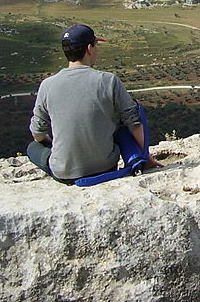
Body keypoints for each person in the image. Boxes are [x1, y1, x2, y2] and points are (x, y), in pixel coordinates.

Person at [27, 24, 162, 184]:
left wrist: (52, 144)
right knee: (119, 128)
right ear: (89, 48)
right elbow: (135, 123)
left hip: (64, 173)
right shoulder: (108, 80)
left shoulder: (47, 85)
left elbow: (37, 133)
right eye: (96, 45)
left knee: (32, 148)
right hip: (106, 168)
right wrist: (143, 156)